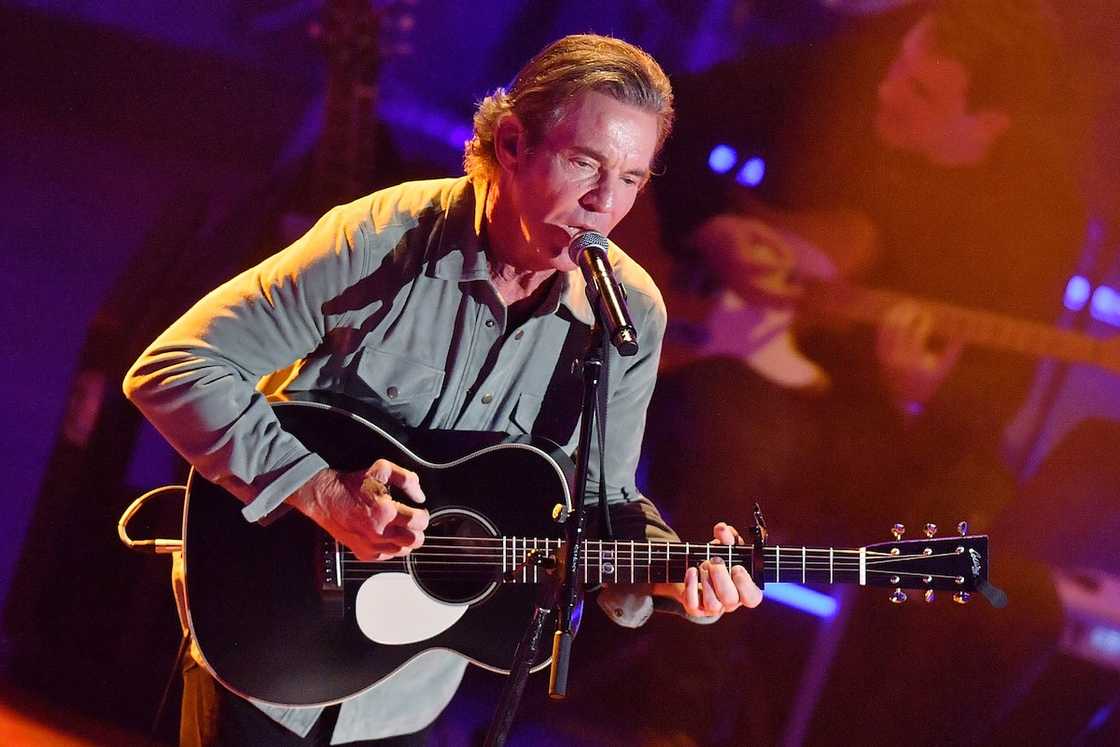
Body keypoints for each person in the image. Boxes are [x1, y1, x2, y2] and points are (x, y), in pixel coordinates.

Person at [123, 34, 762, 747]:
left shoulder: (629, 311)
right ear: (513, 142)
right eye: (584, 163)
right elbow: (175, 365)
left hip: (408, 690)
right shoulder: (379, 239)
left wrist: (674, 573)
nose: (603, 204)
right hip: (267, 633)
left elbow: (602, 503)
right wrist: (322, 489)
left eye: (632, 178)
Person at [626, 1, 1081, 743]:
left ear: (990, 124)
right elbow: (668, 105)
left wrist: (918, 396)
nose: (888, 90)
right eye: (901, 62)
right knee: (748, 446)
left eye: (923, 92)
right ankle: (673, 726)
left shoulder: (1040, 217)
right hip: (735, 362)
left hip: (889, 435)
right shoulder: (839, 75)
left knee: (1007, 584)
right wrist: (711, 224)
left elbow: (992, 401)